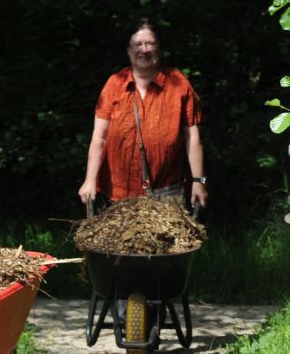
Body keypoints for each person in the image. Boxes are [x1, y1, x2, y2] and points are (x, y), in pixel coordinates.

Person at [78, 19, 207, 211]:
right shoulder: (114, 84)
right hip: (117, 195)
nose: (144, 50)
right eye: (138, 44)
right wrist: (90, 180)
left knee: (165, 242)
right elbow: (100, 137)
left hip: (166, 195)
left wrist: (199, 181)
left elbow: (192, 137)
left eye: (150, 44)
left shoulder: (179, 84)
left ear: (159, 48)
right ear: (129, 50)